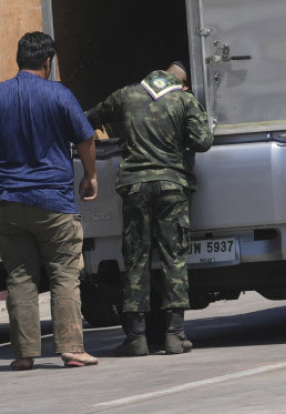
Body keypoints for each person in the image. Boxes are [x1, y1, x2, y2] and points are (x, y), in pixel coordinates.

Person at [0, 31, 99, 370]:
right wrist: (90, 176)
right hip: (54, 203)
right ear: (48, 62)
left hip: (9, 203)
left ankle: (24, 354)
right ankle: (72, 349)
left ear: (20, 59)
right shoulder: (59, 95)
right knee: (64, 274)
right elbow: (85, 137)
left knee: (19, 277)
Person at [86, 62, 213, 356]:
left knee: (136, 259)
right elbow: (203, 142)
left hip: (135, 188)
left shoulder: (126, 95)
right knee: (174, 258)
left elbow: (88, 118)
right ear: (183, 84)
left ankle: (136, 337)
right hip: (172, 187)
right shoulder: (184, 100)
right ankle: (174, 335)